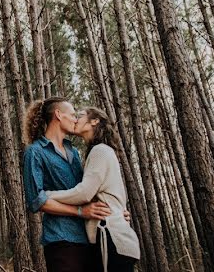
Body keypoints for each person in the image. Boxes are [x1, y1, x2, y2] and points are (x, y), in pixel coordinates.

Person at [46, 107, 140, 272]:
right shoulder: (99, 152)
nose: (75, 119)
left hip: (110, 237)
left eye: (80, 115)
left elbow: (84, 193)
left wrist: (48, 195)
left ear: (94, 121)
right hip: (113, 239)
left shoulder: (100, 151)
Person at [22, 97, 110, 272]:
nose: (76, 119)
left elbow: (88, 191)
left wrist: (114, 211)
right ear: (58, 115)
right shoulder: (35, 152)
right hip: (61, 240)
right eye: (72, 114)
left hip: (89, 237)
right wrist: (79, 211)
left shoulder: (74, 152)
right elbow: (36, 200)